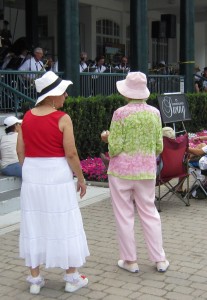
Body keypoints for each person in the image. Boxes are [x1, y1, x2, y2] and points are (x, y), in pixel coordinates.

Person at [16, 71, 89, 294]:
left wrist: (29, 170)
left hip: (32, 172)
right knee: (65, 220)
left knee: (34, 220)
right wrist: (82, 178)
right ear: (54, 96)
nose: (66, 96)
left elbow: (21, 150)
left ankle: (35, 279)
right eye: (63, 92)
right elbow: (71, 154)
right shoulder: (62, 118)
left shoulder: (26, 117)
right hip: (57, 173)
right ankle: (71, 277)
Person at [101, 72, 169, 273]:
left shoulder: (120, 113)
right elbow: (159, 146)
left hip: (121, 171)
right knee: (150, 213)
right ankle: (160, 259)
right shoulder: (155, 113)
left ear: (127, 92)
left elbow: (115, 148)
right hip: (146, 171)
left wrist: (107, 138)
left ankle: (130, 261)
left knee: (124, 215)